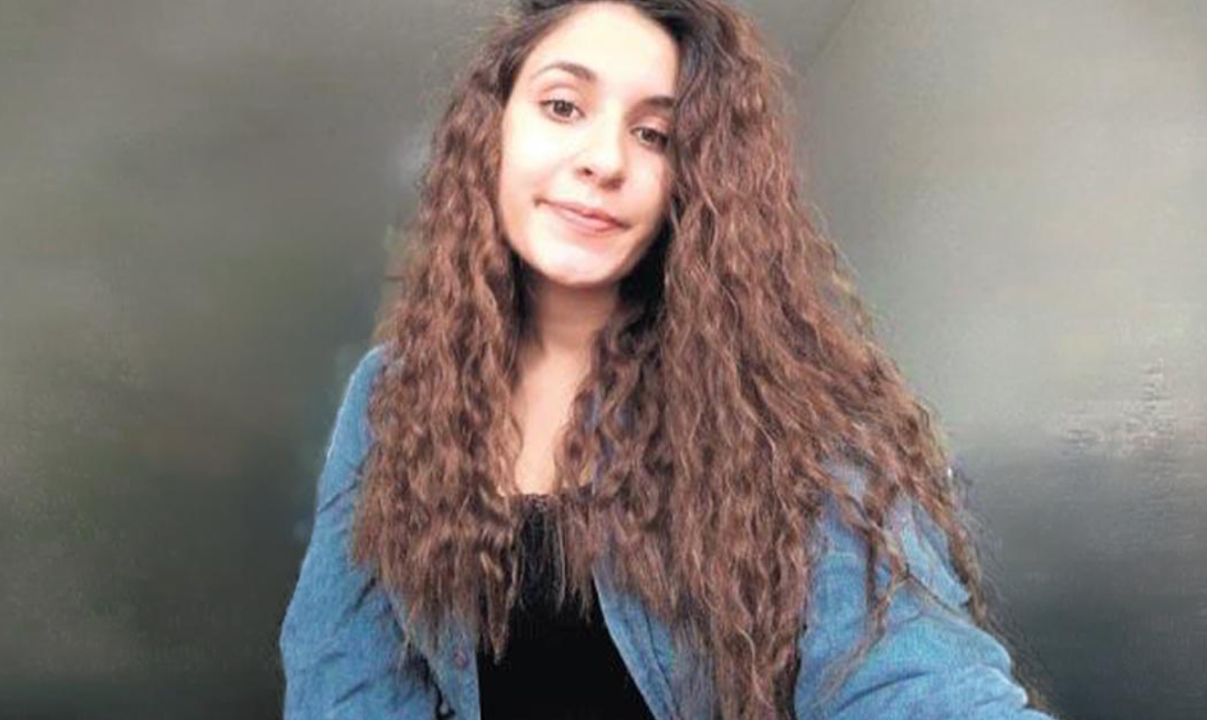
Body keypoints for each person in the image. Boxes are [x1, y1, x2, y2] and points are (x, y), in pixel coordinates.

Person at [279, 1, 1060, 719]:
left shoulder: (780, 398)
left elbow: (915, 682)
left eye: (655, 134)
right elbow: (343, 676)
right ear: (495, 129)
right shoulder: (390, 393)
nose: (605, 159)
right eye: (563, 106)